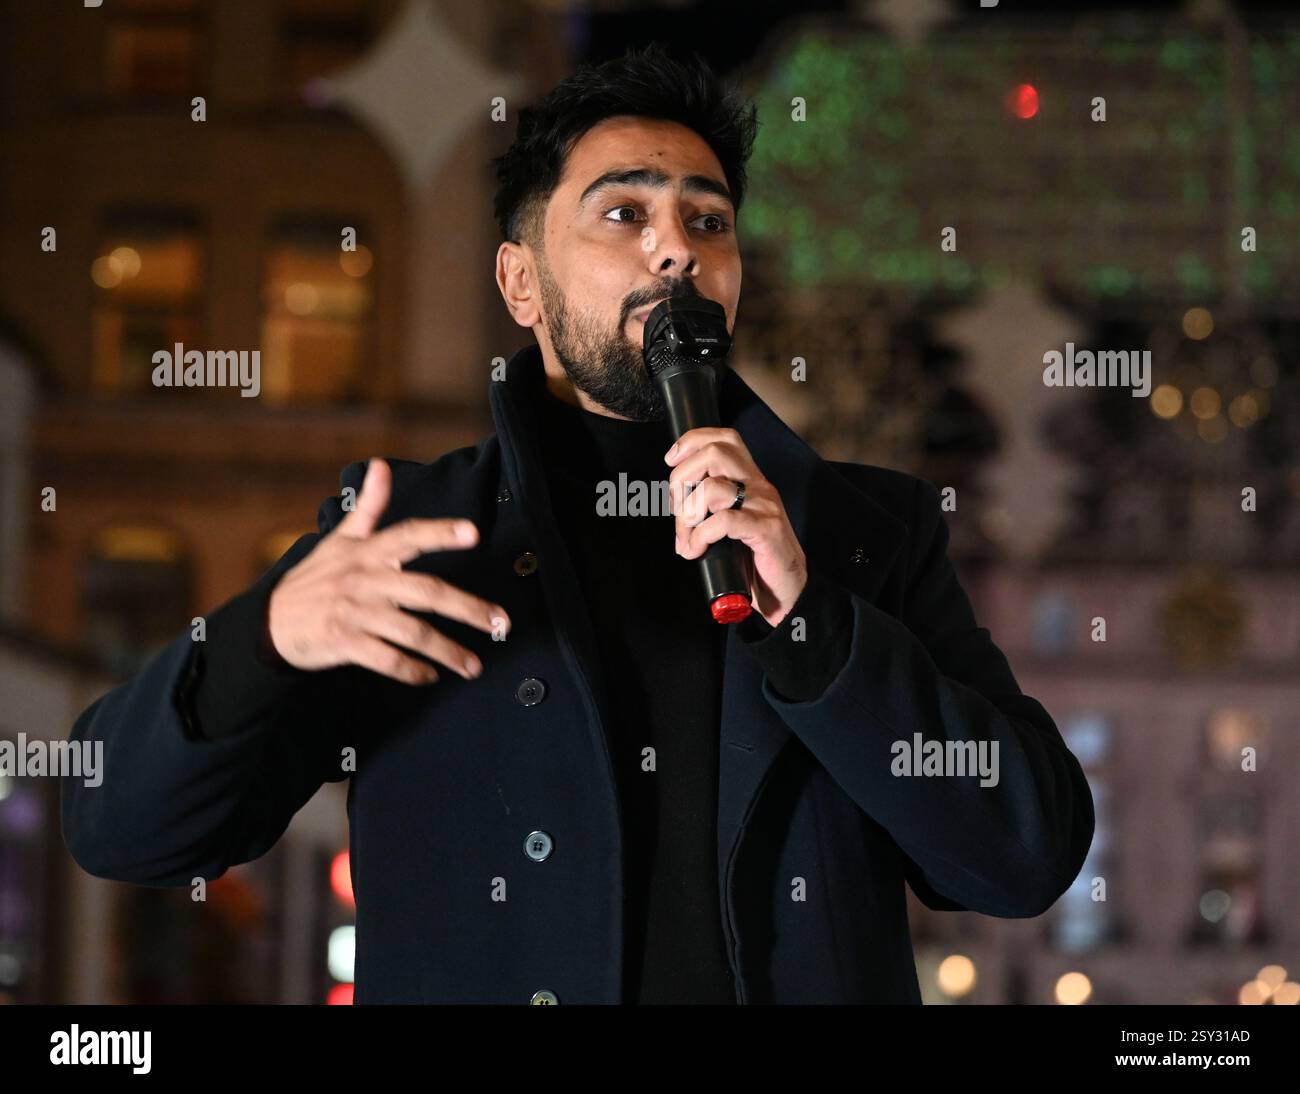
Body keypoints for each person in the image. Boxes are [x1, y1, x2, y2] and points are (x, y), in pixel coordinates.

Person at [61, 43, 1094, 1004]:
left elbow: (1024, 853)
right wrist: (263, 637)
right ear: (521, 283)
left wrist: (815, 625)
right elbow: (122, 826)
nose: (675, 252)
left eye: (708, 220)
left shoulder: (864, 530)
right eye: (622, 215)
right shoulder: (411, 532)